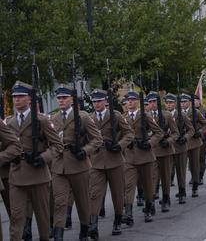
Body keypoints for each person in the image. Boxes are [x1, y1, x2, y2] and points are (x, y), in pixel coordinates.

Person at [6, 81, 63, 241]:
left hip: (38, 174)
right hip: (17, 175)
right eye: (14, 97)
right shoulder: (9, 122)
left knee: (42, 216)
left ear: (29, 99)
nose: (16, 100)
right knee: (16, 217)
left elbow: (58, 145)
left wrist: (43, 157)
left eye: (20, 96)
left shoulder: (41, 120)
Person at [51, 84, 102, 240]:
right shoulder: (54, 119)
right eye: (59, 98)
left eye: (64, 98)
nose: (61, 100)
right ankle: (58, 234)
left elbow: (97, 139)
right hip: (59, 165)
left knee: (82, 201)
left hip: (79, 164)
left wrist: (85, 150)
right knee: (59, 201)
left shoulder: (83, 117)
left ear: (71, 99)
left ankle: (85, 229)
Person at [88, 89, 134, 238]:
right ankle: (93, 225)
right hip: (96, 162)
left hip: (115, 160)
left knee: (118, 194)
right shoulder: (89, 118)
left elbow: (129, 134)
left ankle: (118, 222)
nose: (96, 104)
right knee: (94, 194)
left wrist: (119, 145)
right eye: (94, 102)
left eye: (99, 101)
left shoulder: (116, 115)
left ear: (105, 102)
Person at [122, 91, 163, 225]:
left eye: (133, 100)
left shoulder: (144, 115)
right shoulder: (123, 118)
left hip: (145, 155)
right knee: (129, 186)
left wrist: (149, 143)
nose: (130, 102)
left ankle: (148, 208)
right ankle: (128, 213)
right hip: (130, 157)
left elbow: (158, 133)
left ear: (137, 102)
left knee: (148, 185)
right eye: (128, 100)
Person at [147, 91, 179, 212]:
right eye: (150, 102)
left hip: (165, 151)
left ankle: (166, 199)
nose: (152, 104)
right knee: (153, 177)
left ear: (158, 102)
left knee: (166, 178)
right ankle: (152, 201)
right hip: (152, 151)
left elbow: (175, 133)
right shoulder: (145, 115)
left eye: (154, 101)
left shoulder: (167, 115)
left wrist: (168, 141)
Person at [164, 93, 194, 204]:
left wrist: (185, 138)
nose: (169, 105)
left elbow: (191, 130)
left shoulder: (182, 115)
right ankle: (165, 195)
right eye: (167, 103)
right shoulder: (163, 115)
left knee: (181, 172)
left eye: (171, 103)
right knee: (167, 173)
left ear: (175, 103)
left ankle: (182, 192)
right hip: (167, 147)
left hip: (180, 147)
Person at [180, 94, 206, 197]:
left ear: (189, 102)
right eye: (181, 102)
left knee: (194, 165)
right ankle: (181, 189)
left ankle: (195, 187)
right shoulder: (177, 113)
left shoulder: (195, 112)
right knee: (181, 166)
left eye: (184, 102)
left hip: (194, 142)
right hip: (182, 142)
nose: (182, 104)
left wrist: (200, 132)